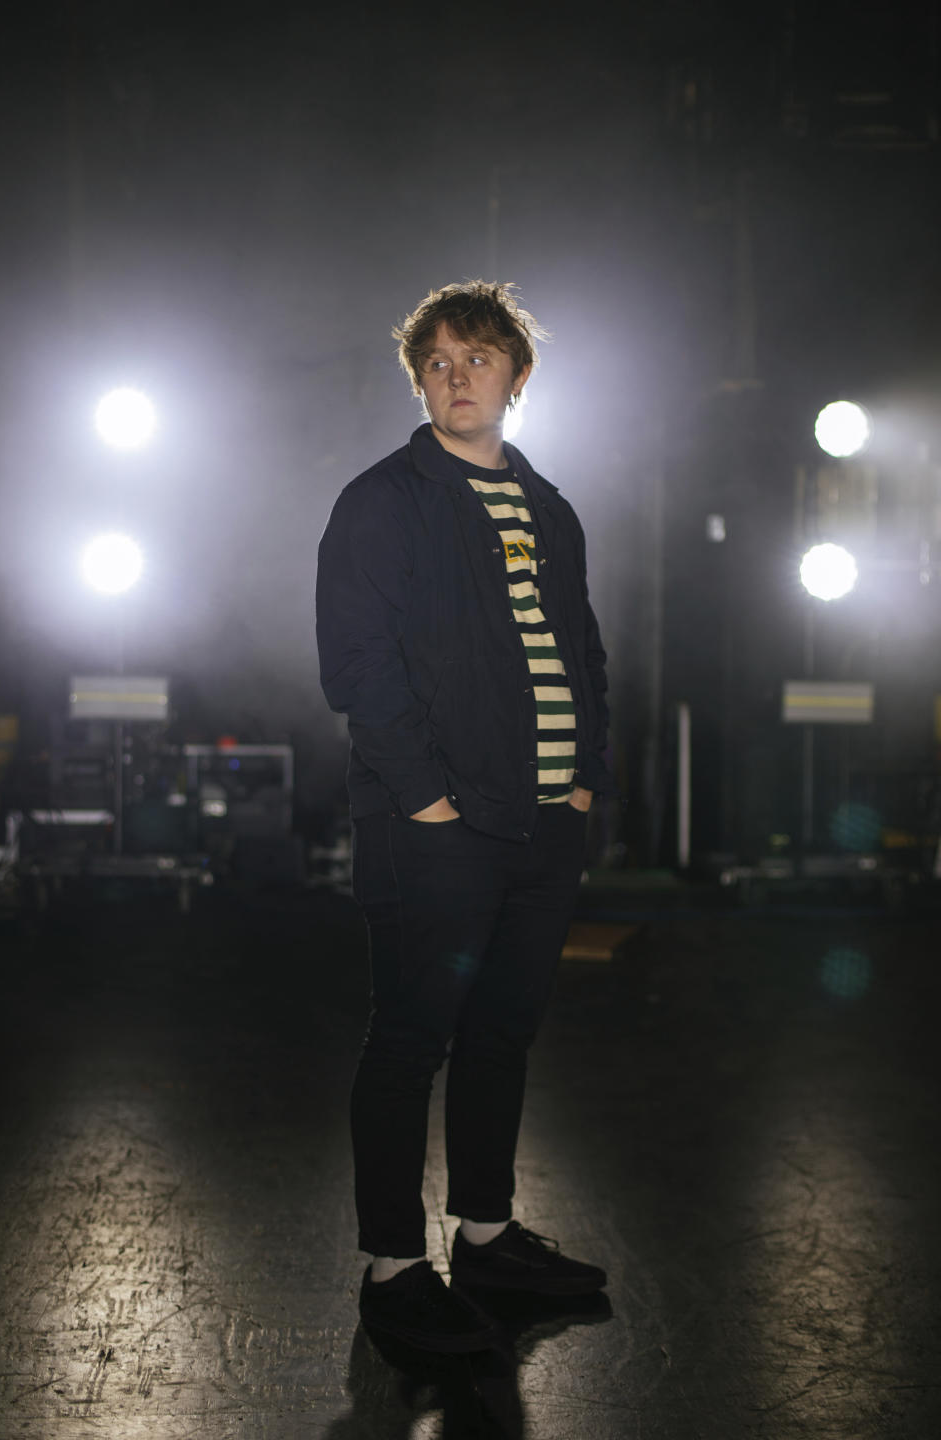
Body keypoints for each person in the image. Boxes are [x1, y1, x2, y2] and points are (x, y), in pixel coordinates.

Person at [316, 280, 613, 1352]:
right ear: (419, 379)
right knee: (410, 1040)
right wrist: (426, 800)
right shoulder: (384, 500)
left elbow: (582, 655)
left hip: (543, 827)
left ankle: (486, 1238)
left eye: (476, 359)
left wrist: (584, 784)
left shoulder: (550, 507)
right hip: (438, 830)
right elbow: (359, 667)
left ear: (516, 378)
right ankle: (396, 1270)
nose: (455, 376)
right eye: (436, 361)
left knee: (502, 1033)